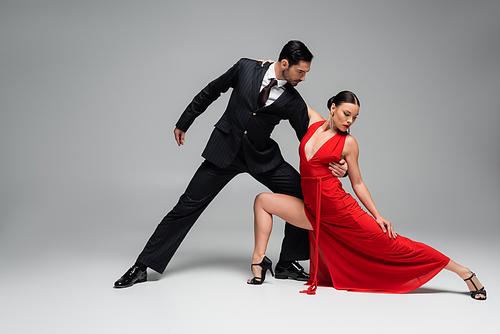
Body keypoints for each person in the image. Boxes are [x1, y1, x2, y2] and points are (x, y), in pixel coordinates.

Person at [114, 41, 348, 288]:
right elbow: (212, 90)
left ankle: (286, 263)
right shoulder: (246, 68)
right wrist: (185, 120)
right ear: (284, 63)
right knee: (186, 206)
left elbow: (309, 140)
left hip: (261, 156)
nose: (303, 78)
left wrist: (336, 162)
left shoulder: (293, 100)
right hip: (224, 151)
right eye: (300, 72)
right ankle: (142, 266)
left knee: (302, 192)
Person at [248, 91, 487, 301]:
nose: (350, 121)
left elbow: (358, 183)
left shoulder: (349, 143)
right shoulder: (313, 123)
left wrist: (378, 215)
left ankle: (463, 272)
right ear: (333, 108)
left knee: (396, 245)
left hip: (341, 212)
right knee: (262, 201)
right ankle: (258, 262)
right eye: (346, 114)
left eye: (354, 117)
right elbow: (292, 95)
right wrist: (270, 67)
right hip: (313, 212)